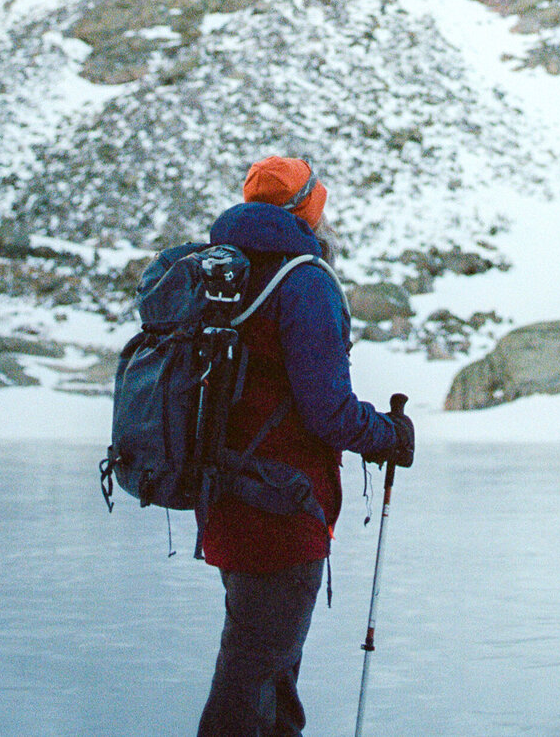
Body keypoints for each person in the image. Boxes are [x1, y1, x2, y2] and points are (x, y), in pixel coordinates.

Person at [196, 154, 414, 737]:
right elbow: (329, 413)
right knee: (251, 684)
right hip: (283, 507)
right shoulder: (303, 282)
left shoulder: (221, 271)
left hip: (225, 499)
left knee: (263, 675)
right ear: (308, 210)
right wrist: (387, 435)